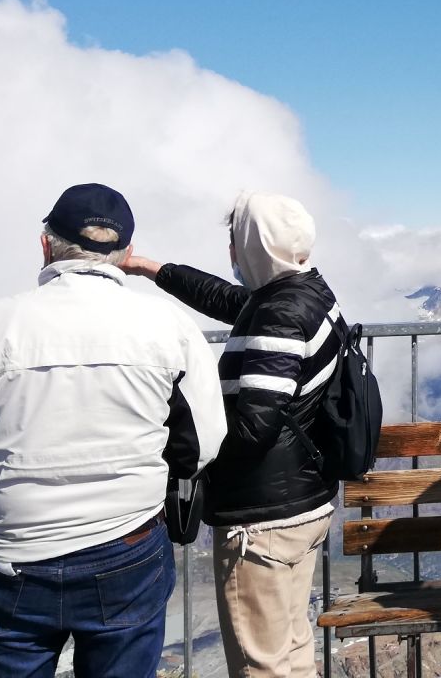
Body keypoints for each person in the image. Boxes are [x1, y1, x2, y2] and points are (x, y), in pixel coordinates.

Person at [0, 183, 227, 678]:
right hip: (129, 546)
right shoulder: (169, 325)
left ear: (45, 244)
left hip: (14, 556)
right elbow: (201, 444)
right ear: (125, 254)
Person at [121, 191, 342, 678]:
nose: (231, 253)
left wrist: (180, 436)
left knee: (260, 663)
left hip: (262, 522)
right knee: (292, 648)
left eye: (234, 241)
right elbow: (231, 301)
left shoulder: (280, 316)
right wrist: (152, 269)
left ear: (254, 246)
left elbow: (253, 427)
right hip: (302, 501)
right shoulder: (305, 295)